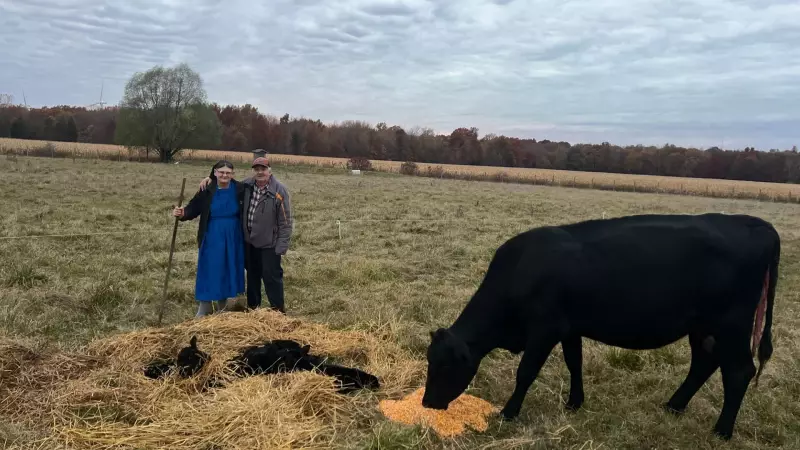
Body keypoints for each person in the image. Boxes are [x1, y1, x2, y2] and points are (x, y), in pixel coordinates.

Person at [199, 155, 293, 313]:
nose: (260, 172)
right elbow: (226, 179)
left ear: (270, 171)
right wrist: (210, 179)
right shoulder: (246, 185)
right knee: (253, 276)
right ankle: (253, 309)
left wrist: (281, 246)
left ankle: (277, 312)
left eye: (263, 169)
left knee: (271, 277)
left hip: (270, 243)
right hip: (250, 242)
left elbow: (286, 221)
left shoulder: (279, 190)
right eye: (256, 169)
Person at [174, 160, 245, 317]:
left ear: (233, 174)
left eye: (228, 172)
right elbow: (194, 207)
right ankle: (205, 305)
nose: (224, 175)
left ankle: (222, 306)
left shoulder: (240, 188)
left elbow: (256, 182)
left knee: (226, 268)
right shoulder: (207, 189)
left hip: (233, 236)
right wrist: (183, 213)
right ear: (215, 172)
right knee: (209, 268)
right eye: (221, 172)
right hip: (212, 234)